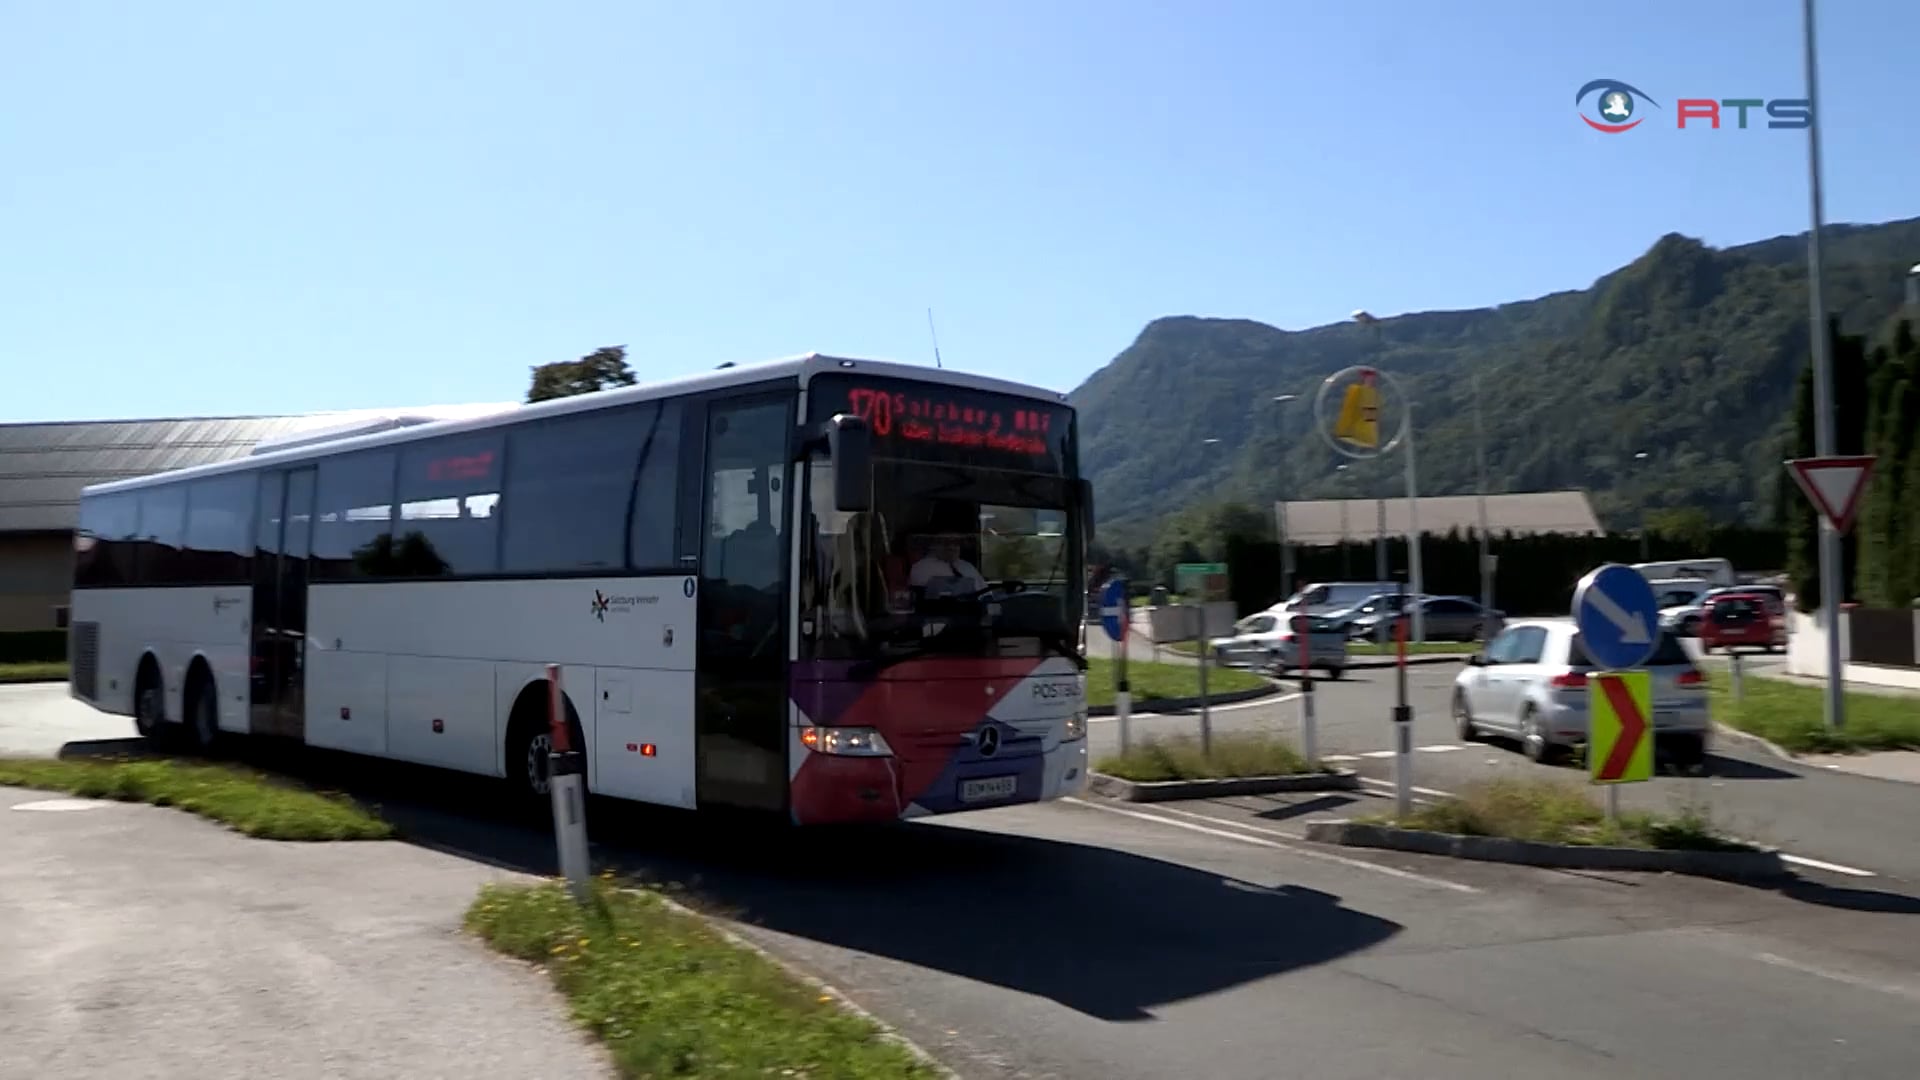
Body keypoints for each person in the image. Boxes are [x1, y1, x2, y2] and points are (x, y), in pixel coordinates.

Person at [910, 535, 985, 599]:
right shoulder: (922, 567)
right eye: (945, 543)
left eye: (956, 543)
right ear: (934, 545)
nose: (951, 547)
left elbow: (984, 595)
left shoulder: (967, 567)